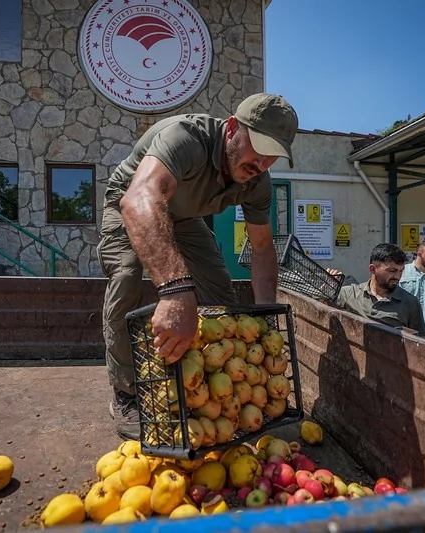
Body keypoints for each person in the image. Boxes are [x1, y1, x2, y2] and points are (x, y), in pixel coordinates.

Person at [98, 93, 299, 439]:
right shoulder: (185, 138)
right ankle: (127, 392)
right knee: (127, 277)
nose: (262, 164)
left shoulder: (257, 181)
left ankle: (203, 379)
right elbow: (139, 198)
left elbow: (263, 248)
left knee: (218, 289)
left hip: (184, 216)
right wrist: (175, 290)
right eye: (259, 149)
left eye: (273, 157)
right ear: (233, 127)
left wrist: (265, 317)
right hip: (131, 202)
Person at [332, 243, 425, 335]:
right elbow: (320, 309)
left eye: (401, 271)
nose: (397, 276)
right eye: (392, 271)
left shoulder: (410, 303)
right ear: (373, 269)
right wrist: (328, 286)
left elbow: (420, 345)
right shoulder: (348, 294)